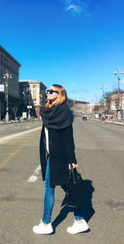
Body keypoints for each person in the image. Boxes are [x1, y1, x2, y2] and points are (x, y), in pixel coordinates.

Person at [33, 84, 89, 235]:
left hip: (61, 156)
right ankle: (80, 220)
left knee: (49, 188)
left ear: (60, 94)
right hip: (51, 155)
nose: (48, 93)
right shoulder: (48, 111)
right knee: (67, 186)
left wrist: (72, 159)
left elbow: (68, 138)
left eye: (52, 91)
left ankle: (46, 224)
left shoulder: (63, 112)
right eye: (48, 91)